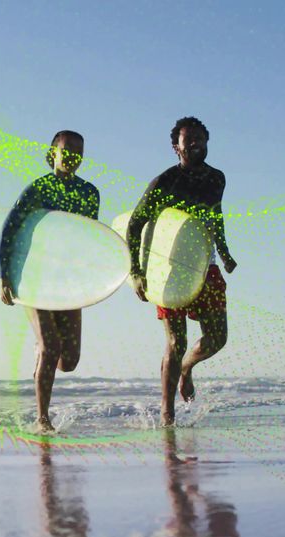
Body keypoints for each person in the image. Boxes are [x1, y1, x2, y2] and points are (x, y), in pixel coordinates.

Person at [125, 117, 237, 426]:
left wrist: (225, 252)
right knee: (176, 342)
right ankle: (167, 412)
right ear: (177, 147)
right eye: (189, 140)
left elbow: (215, 216)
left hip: (205, 263)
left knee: (217, 337)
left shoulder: (217, 179)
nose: (195, 143)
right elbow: (135, 224)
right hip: (170, 267)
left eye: (200, 138)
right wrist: (136, 271)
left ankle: (186, 370)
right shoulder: (164, 182)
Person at [0, 130, 100, 431]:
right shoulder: (38, 189)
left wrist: (91, 279)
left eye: (78, 151)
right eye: (66, 150)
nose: (72, 156)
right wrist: (4, 274)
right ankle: (43, 419)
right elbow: (10, 228)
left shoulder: (89, 193)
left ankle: (44, 351)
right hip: (35, 277)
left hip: (67, 283)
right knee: (52, 347)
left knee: (69, 360)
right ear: (52, 152)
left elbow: (89, 239)